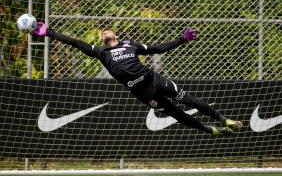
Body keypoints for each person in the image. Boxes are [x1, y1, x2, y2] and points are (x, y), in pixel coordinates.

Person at [31, 22, 242, 135]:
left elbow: (158, 48)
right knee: (177, 113)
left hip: (154, 80)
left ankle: (224, 120)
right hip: (143, 93)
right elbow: (75, 42)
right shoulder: (101, 52)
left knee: (188, 99)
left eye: (107, 29)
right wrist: (49, 32)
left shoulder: (130, 44)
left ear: (116, 35)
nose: (104, 31)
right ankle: (211, 130)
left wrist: (182, 39)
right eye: (102, 32)